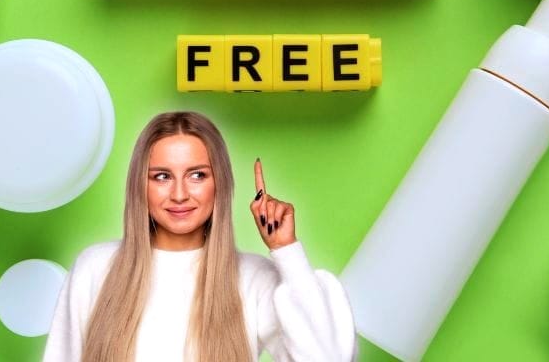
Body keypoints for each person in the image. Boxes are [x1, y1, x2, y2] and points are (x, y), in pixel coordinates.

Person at [42, 111, 357, 362]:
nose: (179, 194)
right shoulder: (96, 267)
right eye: (162, 176)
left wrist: (286, 250)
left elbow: (329, 357)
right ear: (141, 185)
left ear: (219, 183)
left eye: (197, 175)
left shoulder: (252, 277)